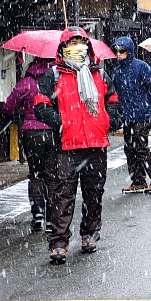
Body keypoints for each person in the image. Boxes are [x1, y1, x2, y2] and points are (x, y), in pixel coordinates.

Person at [34, 27, 121, 265]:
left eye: (81, 45)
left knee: (94, 193)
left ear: (88, 48)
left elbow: (113, 102)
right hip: (66, 146)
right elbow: (40, 106)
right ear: (63, 50)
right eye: (71, 46)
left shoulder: (100, 75)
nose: (77, 50)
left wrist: (107, 121)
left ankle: (90, 234)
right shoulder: (53, 76)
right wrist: (61, 122)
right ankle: (59, 243)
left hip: (96, 145)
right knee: (62, 195)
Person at [2, 56, 56, 231]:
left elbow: (8, 107)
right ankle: (51, 217)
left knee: (36, 173)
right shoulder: (57, 80)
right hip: (52, 131)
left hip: (31, 133)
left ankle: (38, 213)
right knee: (52, 175)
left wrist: (24, 107)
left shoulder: (26, 83)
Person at [111, 36, 151, 194]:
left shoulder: (141, 66)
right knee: (129, 148)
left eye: (121, 51)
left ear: (129, 51)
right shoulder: (117, 71)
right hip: (128, 115)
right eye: (116, 51)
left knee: (141, 147)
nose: (118, 54)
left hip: (143, 113)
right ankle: (138, 180)